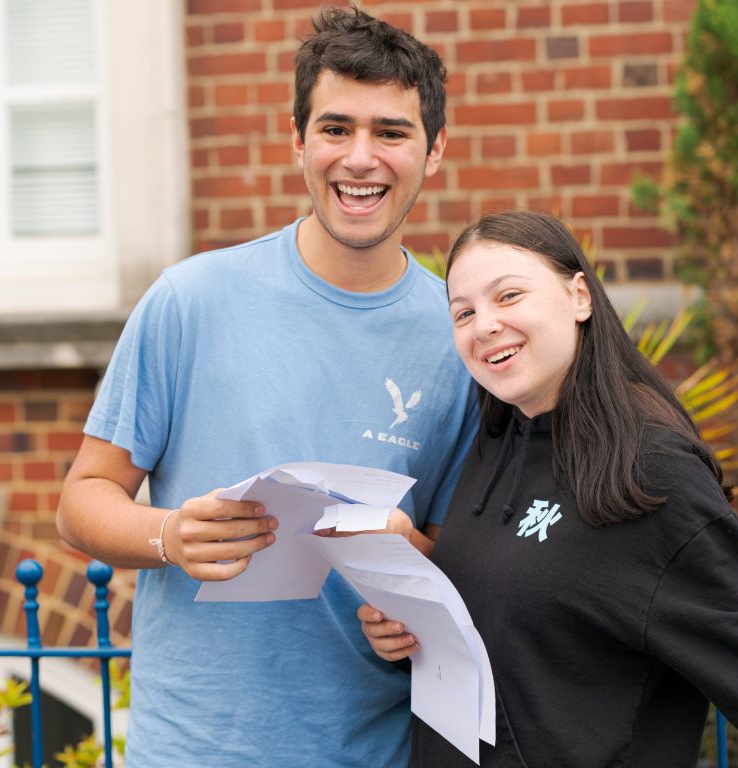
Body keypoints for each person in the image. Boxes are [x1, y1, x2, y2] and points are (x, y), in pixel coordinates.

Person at [56, 7, 477, 766]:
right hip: (193, 749)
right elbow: (83, 499)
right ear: (297, 139)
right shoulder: (191, 300)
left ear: (434, 150)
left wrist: (416, 571)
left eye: (391, 132)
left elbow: (459, 548)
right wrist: (170, 535)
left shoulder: (459, 335)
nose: (360, 159)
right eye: (336, 128)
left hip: (372, 749)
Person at [358, 211, 738, 767]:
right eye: (464, 313)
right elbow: (534, 635)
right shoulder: (496, 437)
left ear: (579, 297)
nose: (485, 326)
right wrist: (414, 627)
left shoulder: (650, 471)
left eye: (509, 296)